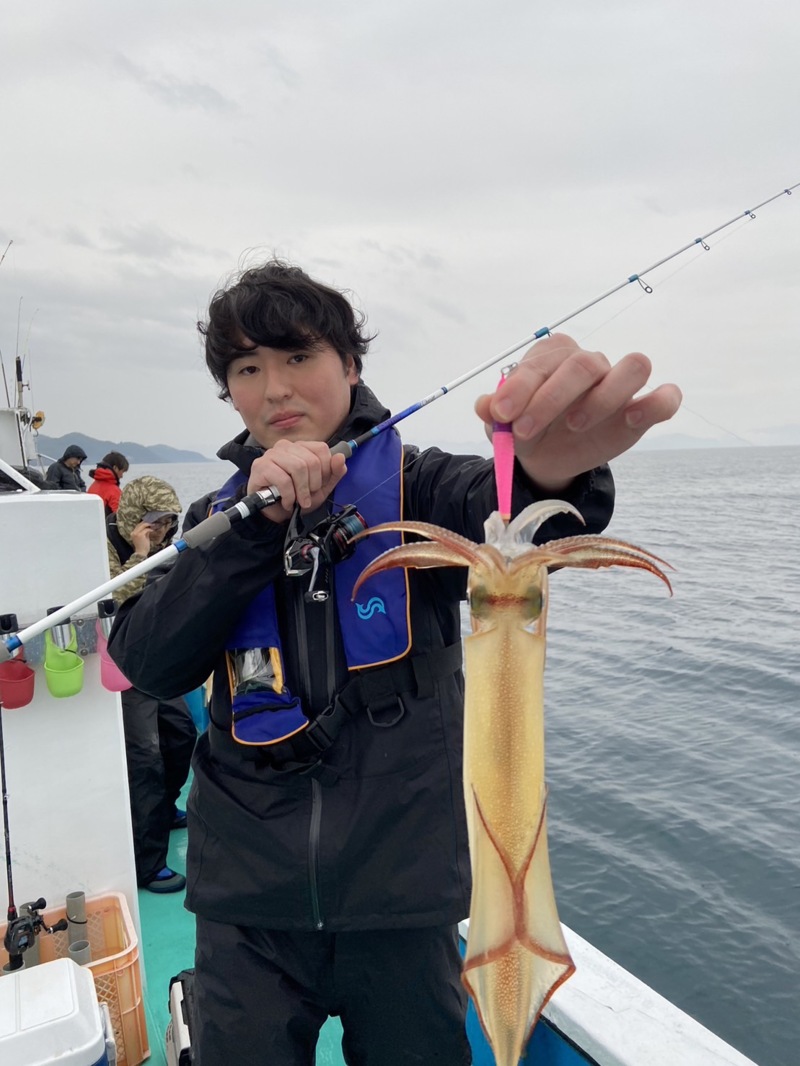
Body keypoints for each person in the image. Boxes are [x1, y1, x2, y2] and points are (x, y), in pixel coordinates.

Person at [108, 261, 681, 1064]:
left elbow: (520, 524)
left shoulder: (421, 487)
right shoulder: (215, 519)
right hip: (247, 905)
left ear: (350, 365)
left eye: (298, 357)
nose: (274, 389)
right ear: (229, 392)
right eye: (247, 369)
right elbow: (147, 662)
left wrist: (554, 468)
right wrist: (250, 530)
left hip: (404, 899)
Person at [107, 475, 197, 894]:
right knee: (145, 759)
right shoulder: (105, 545)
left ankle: (164, 809)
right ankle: (147, 863)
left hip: (151, 661)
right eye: (153, 520)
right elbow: (110, 598)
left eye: (167, 522)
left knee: (181, 738)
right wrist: (141, 554)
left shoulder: (165, 546)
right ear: (134, 514)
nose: (160, 530)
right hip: (115, 667)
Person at [87, 450, 129, 514]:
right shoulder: (113, 490)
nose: (122, 476)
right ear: (115, 468)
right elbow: (122, 516)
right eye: (122, 472)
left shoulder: (93, 486)